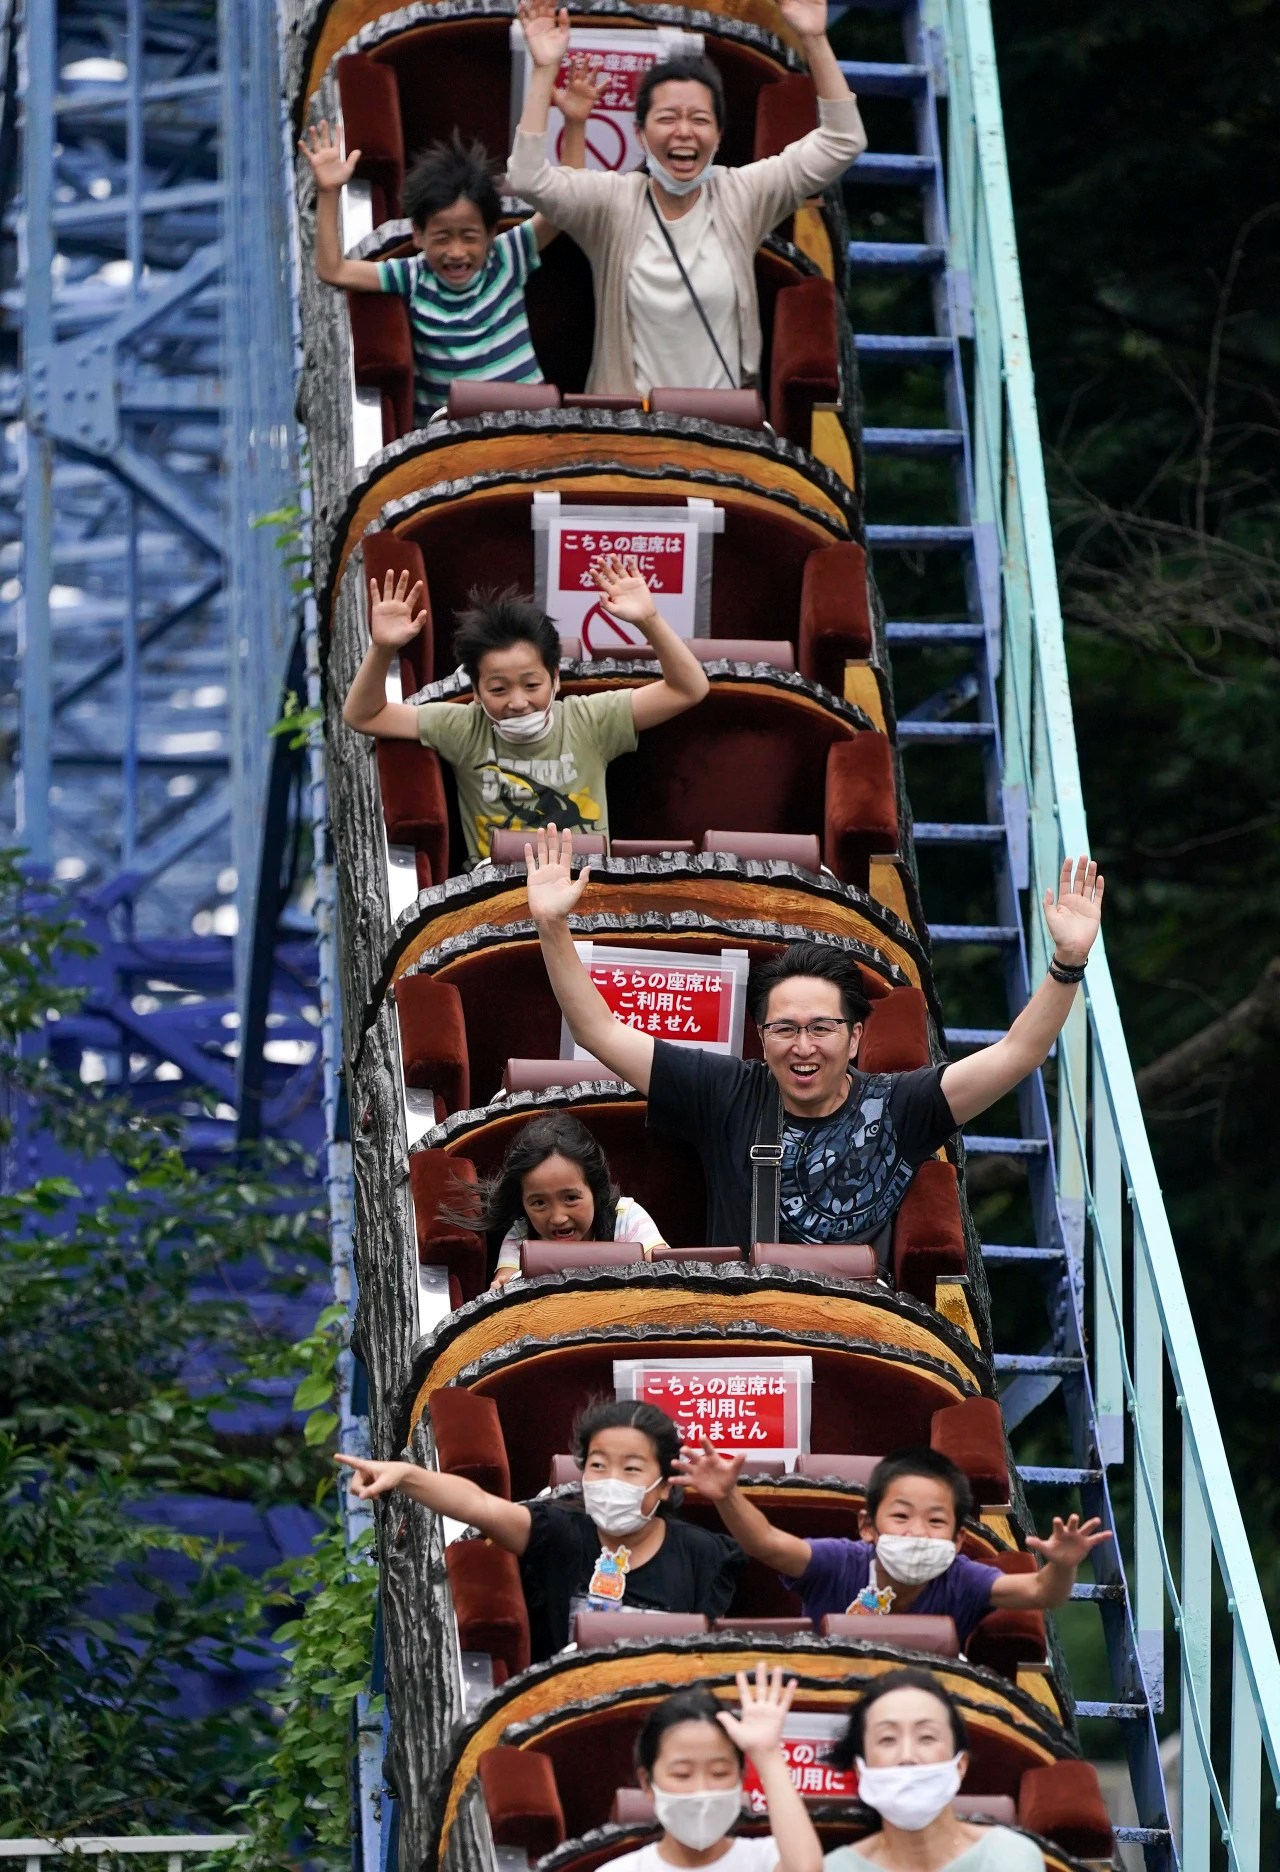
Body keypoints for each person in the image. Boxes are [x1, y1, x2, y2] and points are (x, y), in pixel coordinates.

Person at [523, 826, 1106, 1257]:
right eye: (785, 1029)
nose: (803, 1046)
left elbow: (1019, 1053)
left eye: (821, 1028)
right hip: (737, 1330)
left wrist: (1068, 963)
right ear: (761, 1037)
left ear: (854, 1038)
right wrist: (552, 927)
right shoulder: (726, 1090)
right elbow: (600, 1031)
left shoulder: (901, 1104)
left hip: (848, 1331)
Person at [506, 0, 867, 395]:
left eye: (699, 119)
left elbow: (843, 141)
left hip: (721, 431)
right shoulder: (613, 201)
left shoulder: (742, 193)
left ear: (718, 135)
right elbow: (527, 177)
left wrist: (814, 39)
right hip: (627, 432)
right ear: (641, 134)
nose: (683, 132)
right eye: (667, 118)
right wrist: (544, 71)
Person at [342, 553, 709, 865]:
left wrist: (649, 620)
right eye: (498, 689)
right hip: (496, 896)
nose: (517, 702)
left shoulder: (590, 720)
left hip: (584, 891)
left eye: (532, 685)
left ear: (555, 679)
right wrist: (382, 649)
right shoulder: (461, 726)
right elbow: (364, 715)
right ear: (476, 690)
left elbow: (688, 688)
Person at [298, 59, 607, 425]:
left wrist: (575, 123)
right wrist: (329, 191)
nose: (457, 252)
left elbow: (564, 206)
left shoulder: (508, 256)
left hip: (531, 428)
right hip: (450, 439)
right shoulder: (412, 276)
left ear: (492, 234)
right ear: (418, 234)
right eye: (443, 238)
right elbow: (333, 269)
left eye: (470, 237)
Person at [337, 1396, 744, 1660]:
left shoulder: (704, 1554)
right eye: (598, 1466)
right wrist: (405, 1475)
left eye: (632, 1469)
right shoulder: (560, 1532)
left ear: (665, 1485)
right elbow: (478, 1504)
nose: (611, 1481)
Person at [674, 1443, 1111, 1651]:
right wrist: (727, 1496)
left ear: (959, 1540)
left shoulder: (964, 1579)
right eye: (901, 1517)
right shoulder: (839, 1562)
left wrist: (1063, 1565)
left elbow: (1040, 1593)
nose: (917, 1532)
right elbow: (767, 1543)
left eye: (936, 1521)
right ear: (868, 1527)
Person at [820, 1670, 1045, 1869]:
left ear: (960, 1764)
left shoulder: (1011, 1857)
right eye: (888, 1739)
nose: (907, 1756)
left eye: (926, 1737)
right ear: (860, 1770)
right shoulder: (837, 1867)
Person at [607, 1667, 822, 1872]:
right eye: (682, 1774)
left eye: (719, 1773)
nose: (702, 1790)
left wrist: (767, 1753)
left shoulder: (766, 1858)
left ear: (740, 1775)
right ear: (647, 1782)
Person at [439, 1110, 669, 1288]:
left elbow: (666, 1272)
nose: (558, 1218)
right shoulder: (520, 1234)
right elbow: (505, 1288)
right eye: (539, 1203)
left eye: (570, 1198)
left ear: (596, 1190)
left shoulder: (627, 1216)